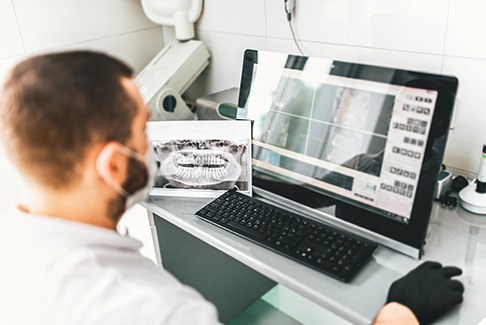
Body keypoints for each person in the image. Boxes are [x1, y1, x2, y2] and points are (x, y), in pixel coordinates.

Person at [0, 51, 464, 325]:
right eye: (145, 127)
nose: (155, 139)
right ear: (116, 164)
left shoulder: (15, 256)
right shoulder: (158, 311)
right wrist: (399, 313)